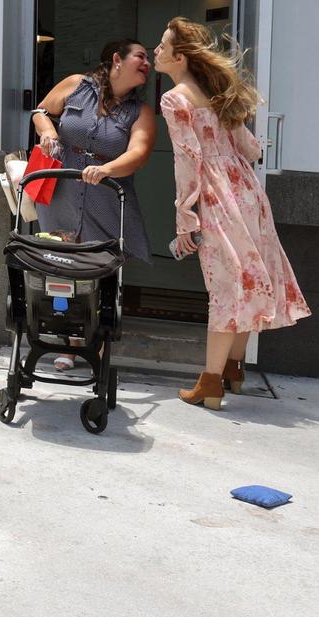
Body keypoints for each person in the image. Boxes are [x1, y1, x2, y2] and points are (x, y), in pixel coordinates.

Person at [154, 17, 310, 410]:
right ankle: (234, 369)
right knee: (248, 278)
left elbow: (187, 160)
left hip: (215, 195)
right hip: (246, 191)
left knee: (224, 286)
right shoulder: (217, 91)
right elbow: (250, 147)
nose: (156, 51)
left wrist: (185, 217)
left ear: (179, 56)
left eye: (162, 45)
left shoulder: (175, 99)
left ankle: (210, 384)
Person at [31, 39, 157, 370]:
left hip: (106, 196)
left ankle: (94, 345)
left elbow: (138, 154)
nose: (148, 62)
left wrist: (106, 170)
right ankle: (68, 341)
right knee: (64, 265)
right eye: (141, 56)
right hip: (63, 191)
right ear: (117, 59)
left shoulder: (140, 111)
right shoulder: (77, 85)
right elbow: (41, 111)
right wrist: (48, 132)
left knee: (101, 273)